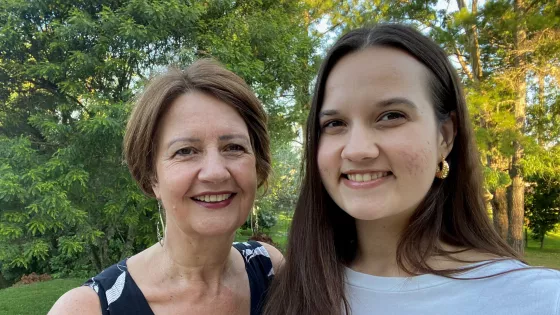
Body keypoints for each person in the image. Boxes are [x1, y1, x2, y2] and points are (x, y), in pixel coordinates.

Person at [263, 24, 560, 315]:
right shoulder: (288, 288)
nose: (357, 149)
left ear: (444, 136)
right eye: (334, 123)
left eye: (391, 116)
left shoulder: (539, 300)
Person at [49, 59, 283, 315]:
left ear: (257, 165)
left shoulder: (270, 270)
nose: (215, 172)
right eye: (185, 151)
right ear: (152, 177)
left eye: (234, 147)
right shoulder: (88, 309)